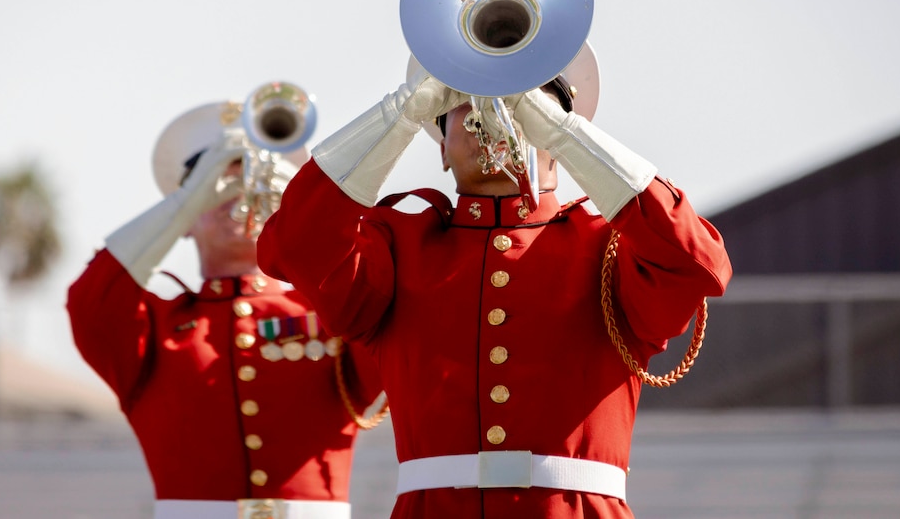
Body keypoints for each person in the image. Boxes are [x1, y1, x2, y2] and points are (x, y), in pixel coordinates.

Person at [256, 48, 733, 518]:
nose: (495, 110)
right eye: (463, 102)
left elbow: (697, 263)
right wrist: (405, 111)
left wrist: (565, 131)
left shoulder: (610, 248)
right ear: (440, 147)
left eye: (525, 95)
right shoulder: (399, 246)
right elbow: (294, 245)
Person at [67, 98, 383, 519]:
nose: (239, 191)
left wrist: (304, 197)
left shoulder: (331, 312)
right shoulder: (157, 325)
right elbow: (91, 301)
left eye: (248, 180)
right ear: (184, 219)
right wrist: (185, 202)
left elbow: (390, 301)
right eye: (217, 183)